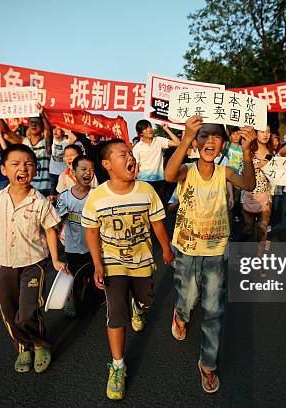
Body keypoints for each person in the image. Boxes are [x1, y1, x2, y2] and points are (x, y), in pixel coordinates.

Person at [164, 116, 256, 394]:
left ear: (224, 144)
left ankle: (207, 363)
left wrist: (249, 154)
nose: (210, 140)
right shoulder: (187, 170)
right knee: (189, 298)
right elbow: (169, 175)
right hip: (187, 249)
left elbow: (249, 184)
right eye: (203, 135)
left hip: (216, 251)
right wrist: (185, 139)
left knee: (214, 310)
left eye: (216, 136)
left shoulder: (225, 172)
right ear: (195, 141)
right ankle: (181, 313)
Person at [82, 139, 174, 400]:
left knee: (145, 302)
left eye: (131, 154)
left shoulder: (146, 190)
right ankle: (118, 365)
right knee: (115, 315)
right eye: (123, 155)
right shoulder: (97, 196)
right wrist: (98, 264)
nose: (130, 158)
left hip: (143, 261)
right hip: (113, 263)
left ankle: (138, 306)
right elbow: (91, 231)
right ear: (107, 164)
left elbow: (157, 224)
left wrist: (166, 249)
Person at [0, 143, 66, 374]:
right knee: (10, 313)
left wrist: (56, 260)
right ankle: (23, 347)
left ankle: (40, 344)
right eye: (16, 164)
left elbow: (50, 229)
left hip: (33, 263)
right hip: (3, 264)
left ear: (35, 170)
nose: (23, 168)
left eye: (29, 164)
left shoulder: (39, 200)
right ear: (3, 170)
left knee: (28, 311)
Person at [55, 155, 95, 317]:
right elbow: (57, 221)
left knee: (93, 275)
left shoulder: (97, 195)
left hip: (94, 247)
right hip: (72, 247)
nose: (88, 173)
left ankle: (93, 297)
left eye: (91, 170)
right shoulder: (64, 197)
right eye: (84, 169)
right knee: (74, 278)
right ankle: (70, 299)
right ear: (74, 172)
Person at [0, 103, 53, 195]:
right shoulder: (24, 141)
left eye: (37, 123)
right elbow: (6, 131)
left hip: (44, 188)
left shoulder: (46, 143)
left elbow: (49, 131)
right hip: (27, 187)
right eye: (31, 123)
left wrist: (42, 114)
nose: (34, 125)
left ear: (42, 127)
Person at [240, 124, 274, 250]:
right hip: (249, 195)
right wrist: (257, 165)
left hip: (265, 195)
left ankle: (260, 265)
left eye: (268, 132)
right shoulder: (248, 150)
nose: (265, 134)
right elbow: (240, 172)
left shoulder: (272, 153)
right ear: (256, 134)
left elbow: (275, 176)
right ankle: (238, 247)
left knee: (262, 229)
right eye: (262, 132)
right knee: (248, 229)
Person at [132, 120, 180, 204]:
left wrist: (166, 129)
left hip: (160, 181)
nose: (149, 129)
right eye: (146, 128)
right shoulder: (137, 148)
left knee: (160, 205)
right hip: (144, 181)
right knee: (146, 205)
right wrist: (134, 180)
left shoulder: (159, 141)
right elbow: (137, 166)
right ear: (141, 133)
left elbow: (178, 143)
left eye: (150, 127)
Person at [224, 126, 244, 222]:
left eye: (238, 134)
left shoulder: (242, 148)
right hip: (226, 176)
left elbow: (242, 163)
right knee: (226, 198)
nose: (236, 136)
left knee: (235, 199)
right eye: (233, 134)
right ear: (230, 136)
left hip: (237, 177)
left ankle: (232, 217)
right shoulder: (227, 145)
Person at [48, 126, 69, 195]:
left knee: (63, 193)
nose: (55, 131)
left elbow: (74, 138)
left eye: (58, 129)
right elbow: (46, 131)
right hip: (53, 172)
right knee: (53, 193)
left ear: (62, 131)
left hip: (64, 172)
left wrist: (63, 126)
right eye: (54, 128)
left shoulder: (67, 142)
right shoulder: (51, 140)